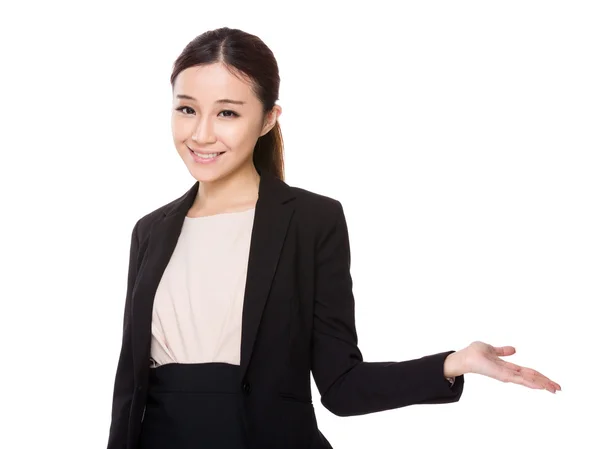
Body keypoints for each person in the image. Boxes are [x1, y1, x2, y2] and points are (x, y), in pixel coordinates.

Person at [106, 27, 561, 449]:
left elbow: (342, 386)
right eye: (187, 109)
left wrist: (451, 364)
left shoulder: (311, 220)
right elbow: (129, 395)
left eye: (227, 112)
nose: (201, 133)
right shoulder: (151, 231)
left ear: (268, 119)